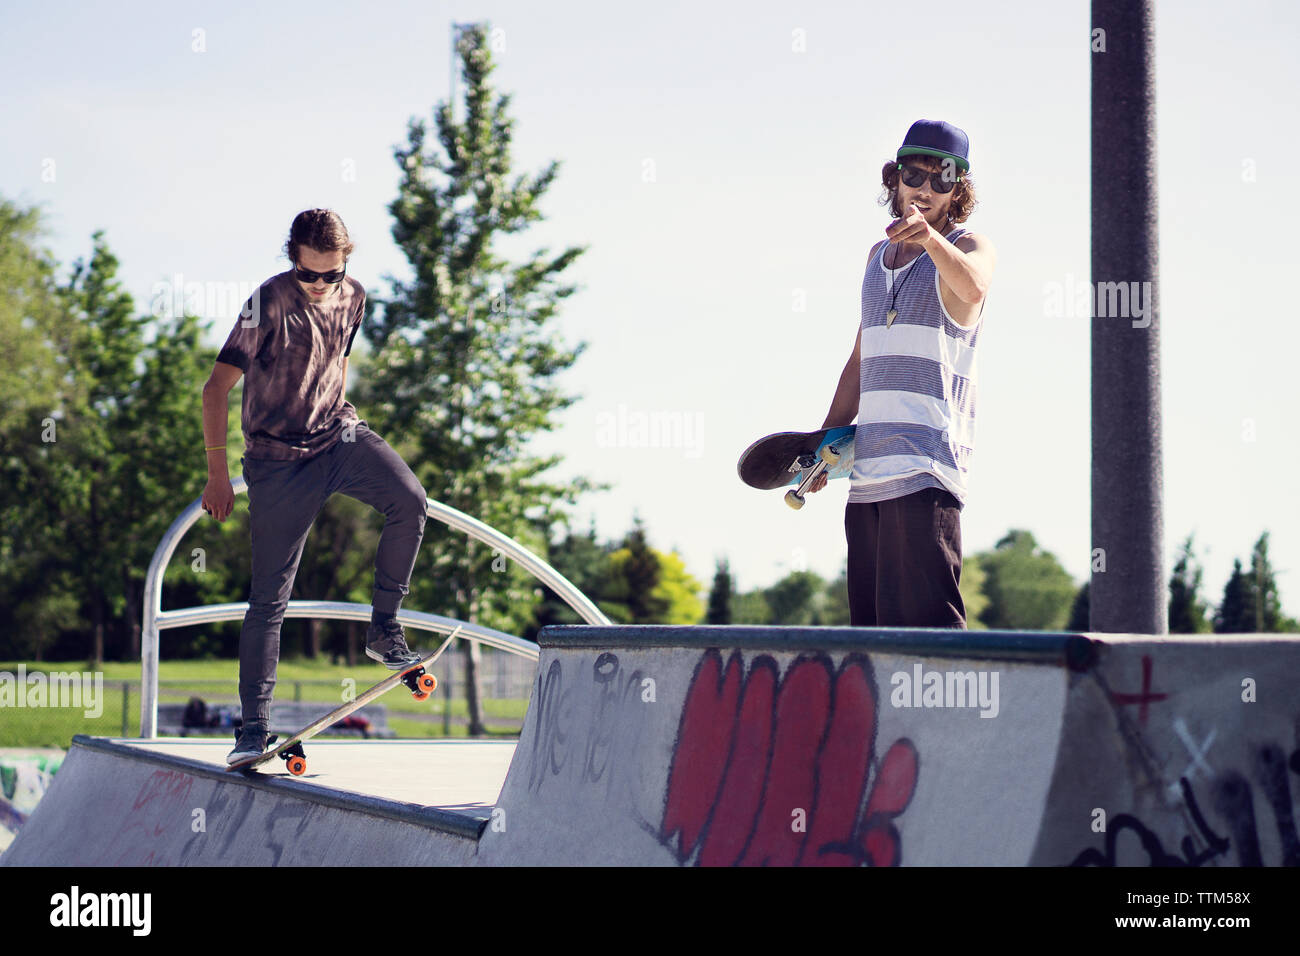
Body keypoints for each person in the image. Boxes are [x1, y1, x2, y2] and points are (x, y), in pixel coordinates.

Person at [201, 208, 428, 764]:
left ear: (345, 262)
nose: (322, 286)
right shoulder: (268, 302)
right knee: (269, 600)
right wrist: (216, 472)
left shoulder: (355, 296)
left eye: (332, 274)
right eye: (311, 275)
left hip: (337, 437)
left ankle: (383, 628)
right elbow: (216, 389)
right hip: (277, 461)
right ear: (292, 261)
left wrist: (342, 416)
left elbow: (339, 360)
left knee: (410, 501)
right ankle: (253, 729)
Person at [812, 120, 996, 628]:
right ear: (895, 179)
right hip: (867, 474)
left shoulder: (969, 246)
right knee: (870, 644)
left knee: (931, 639)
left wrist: (933, 239)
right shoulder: (875, 257)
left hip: (925, 471)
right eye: (915, 175)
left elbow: (975, 286)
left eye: (943, 179)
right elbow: (859, 360)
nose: (925, 189)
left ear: (958, 190)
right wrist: (821, 444)